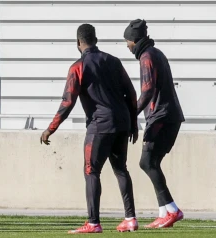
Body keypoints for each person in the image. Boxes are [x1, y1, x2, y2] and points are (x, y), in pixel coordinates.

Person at [40, 24, 139, 234]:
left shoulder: (78, 66)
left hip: (100, 125)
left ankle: (93, 223)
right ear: (96, 39)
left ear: (78, 43)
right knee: (121, 169)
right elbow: (131, 94)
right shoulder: (113, 61)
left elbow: (68, 102)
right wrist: (133, 124)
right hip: (122, 123)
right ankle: (130, 218)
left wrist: (51, 128)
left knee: (91, 171)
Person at [124, 19, 185, 228]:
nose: (127, 46)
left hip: (162, 117)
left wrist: (131, 115)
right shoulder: (155, 53)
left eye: (127, 41)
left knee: (146, 162)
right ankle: (163, 212)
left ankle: (173, 210)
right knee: (152, 163)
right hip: (168, 116)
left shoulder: (147, 57)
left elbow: (147, 91)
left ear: (135, 40)